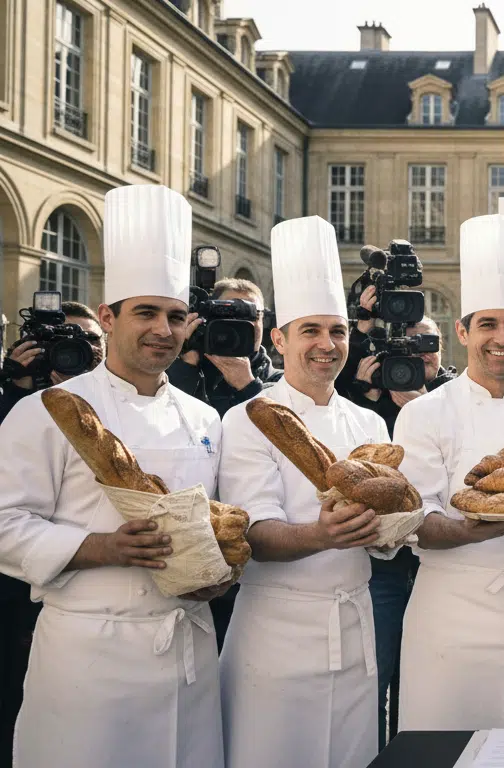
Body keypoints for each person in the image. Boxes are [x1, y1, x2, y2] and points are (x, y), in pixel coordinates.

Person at [0, 184, 230, 767]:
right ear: (107, 318)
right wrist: (102, 547)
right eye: (146, 313)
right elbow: (4, 522)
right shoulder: (46, 411)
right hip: (91, 657)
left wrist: (223, 570)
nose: (163, 329)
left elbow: (219, 523)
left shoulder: (206, 419)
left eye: (176, 316)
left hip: (187, 649)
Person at [393, 214, 504, 730]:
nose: (501, 338)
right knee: (444, 749)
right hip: (448, 616)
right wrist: (483, 526)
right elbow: (417, 521)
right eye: (488, 325)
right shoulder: (423, 414)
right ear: (462, 331)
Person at [218, 217, 384, 768]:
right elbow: (254, 533)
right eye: (310, 330)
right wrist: (322, 534)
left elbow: (387, 531)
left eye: (337, 331)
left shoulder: (369, 426)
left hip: (355, 627)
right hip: (276, 635)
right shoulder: (248, 420)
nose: (326, 344)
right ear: (279, 339)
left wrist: (391, 534)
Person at [342, 314, 454, 748]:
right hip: (381, 568)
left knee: (427, 685)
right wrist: (368, 395)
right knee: (374, 675)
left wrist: (420, 404)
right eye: (407, 344)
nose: (418, 352)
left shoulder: (455, 396)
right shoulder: (361, 402)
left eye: (429, 341)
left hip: (438, 564)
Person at [0, 300, 103, 764]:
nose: (76, 353)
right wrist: (16, 386)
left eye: (90, 343)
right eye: (63, 343)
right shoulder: (22, 402)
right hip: (14, 598)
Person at [167, 277, 281, 652]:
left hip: (261, 546)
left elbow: (286, 442)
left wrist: (247, 386)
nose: (238, 327)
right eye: (226, 314)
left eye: (250, 316)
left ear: (265, 323)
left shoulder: (277, 382)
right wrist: (186, 361)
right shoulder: (181, 373)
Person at [167, 278, 282, 418]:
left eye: (253, 314)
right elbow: (166, 419)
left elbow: (285, 432)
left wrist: (248, 386)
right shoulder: (181, 367)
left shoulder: (282, 382)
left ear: (263, 321)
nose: (243, 324)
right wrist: (185, 367)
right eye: (229, 314)